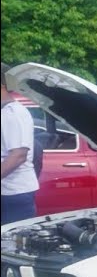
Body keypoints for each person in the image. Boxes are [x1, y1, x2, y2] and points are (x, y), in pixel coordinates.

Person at [1, 63, 40, 225]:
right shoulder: (4, 112)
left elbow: (18, 156)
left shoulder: (14, 113)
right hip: (6, 193)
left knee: (13, 246)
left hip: (14, 195)